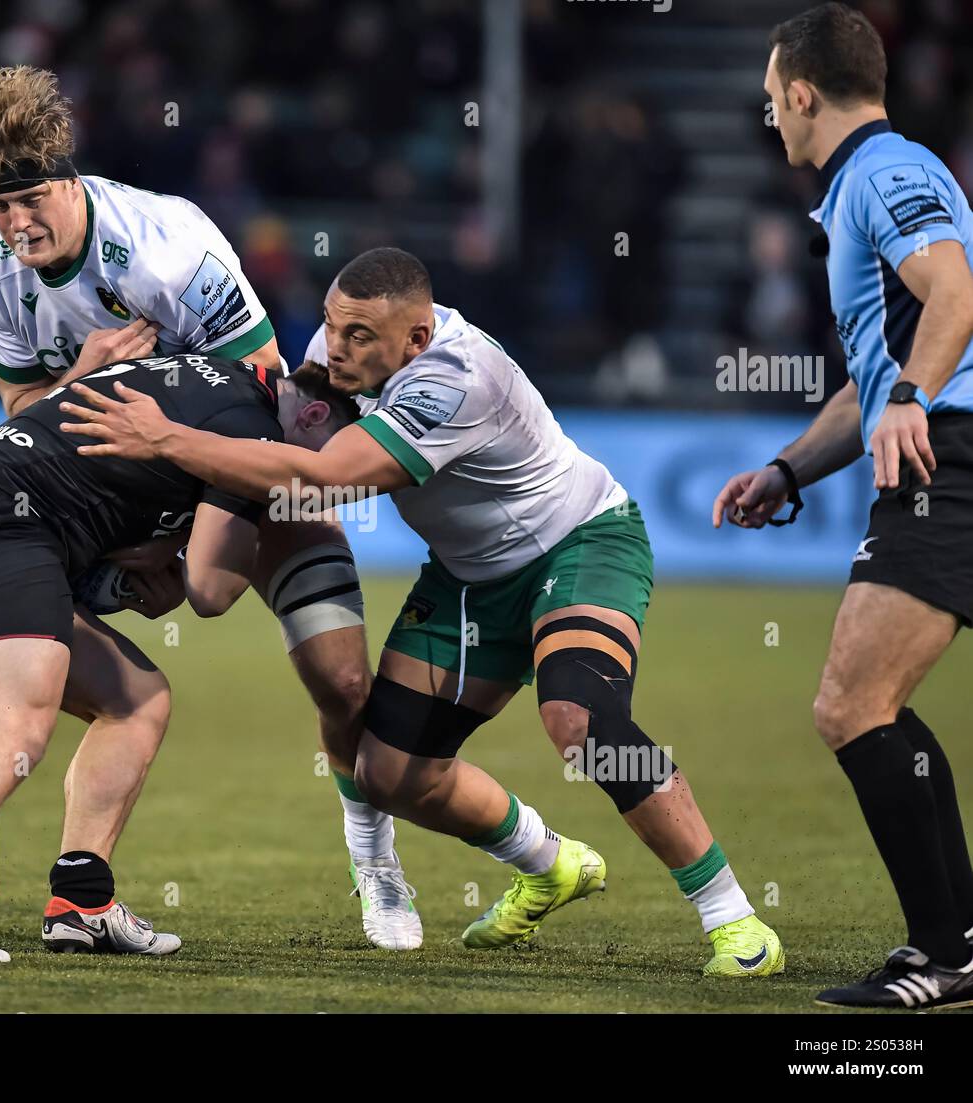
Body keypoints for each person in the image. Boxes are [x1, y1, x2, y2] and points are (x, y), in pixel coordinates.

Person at [61, 248, 785, 975]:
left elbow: (323, 476)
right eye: (332, 326)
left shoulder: (457, 381)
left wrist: (167, 439)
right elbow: (287, 470)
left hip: (578, 544)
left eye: (360, 337)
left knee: (583, 722)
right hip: (469, 578)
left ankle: (735, 920)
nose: (336, 350)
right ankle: (550, 862)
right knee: (389, 773)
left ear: (416, 340)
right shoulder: (340, 354)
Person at [0, 65, 415, 950]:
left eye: (32, 199)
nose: (16, 224)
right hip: (72, 495)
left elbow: (269, 404)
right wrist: (88, 380)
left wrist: (177, 546)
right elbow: (24, 424)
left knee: (338, 676)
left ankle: (374, 866)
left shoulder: (167, 245)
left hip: (235, 466)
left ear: (70, 180)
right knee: (13, 662)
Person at [0, 352, 356, 960]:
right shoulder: (254, 430)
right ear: (318, 415)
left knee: (138, 702)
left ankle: (81, 900)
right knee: (13, 724)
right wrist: (207, 539)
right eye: (336, 464)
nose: (329, 485)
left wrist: (164, 542)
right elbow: (210, 590)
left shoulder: (217, 377)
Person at [713, 3, 973, 1009]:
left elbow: (953, 297)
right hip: (941, 442)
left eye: (772, 95)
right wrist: (787, 470)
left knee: (851, 703)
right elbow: (878, 374)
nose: (768, 113)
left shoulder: (886, 171)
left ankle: (945, 953)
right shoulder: (863, 187)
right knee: (872, 703)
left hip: (949, 457)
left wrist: (909, 399)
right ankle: (955, 936)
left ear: (803, 92)